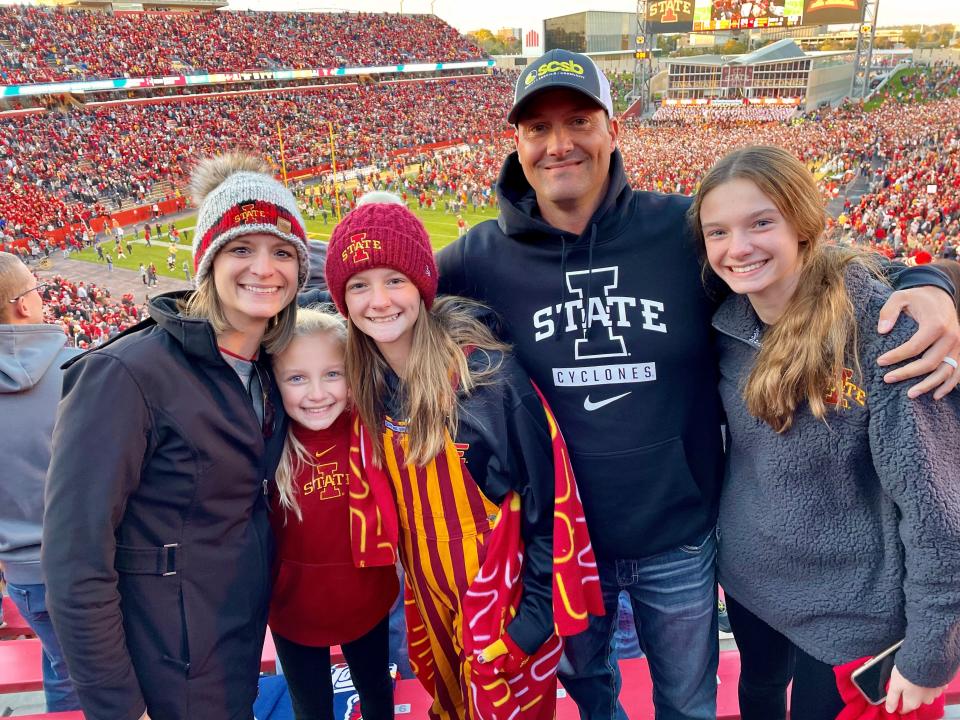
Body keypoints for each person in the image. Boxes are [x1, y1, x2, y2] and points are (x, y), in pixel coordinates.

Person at [435, 48, 960, 720]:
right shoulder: (479, 256)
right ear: (517, 141)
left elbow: (829, 266)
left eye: (578, 120)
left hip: (679, 536)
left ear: (612, 129)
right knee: (593, 697)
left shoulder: (685, 230)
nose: (559, 143)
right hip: (563, 542)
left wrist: (930, 285)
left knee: (688, 704)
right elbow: (377, 291)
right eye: (538, 128)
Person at [691, 145, 960, 720]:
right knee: (759, 694)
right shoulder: (724, 320)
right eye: (718, 232)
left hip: (851, 610)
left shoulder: (885, 332)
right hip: (750, 581)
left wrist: (931, 649)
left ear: (804, 226)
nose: (737, 248)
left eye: (761, 222)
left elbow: (936, 507)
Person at [42, 153, 310, 720]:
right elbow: (74, 559)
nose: (265, 268)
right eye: (242, 248)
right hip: (161, 674)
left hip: (231, 647)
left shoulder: (267, 365)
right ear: (207, 260)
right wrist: (120, 709)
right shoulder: (124, 374)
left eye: (282, 251)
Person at [324, 195, 600, 720]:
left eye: (394, 280)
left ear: (424, 286)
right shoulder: (366, 385)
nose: (378, 300)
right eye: (359, 285)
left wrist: (526, 630)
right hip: (433, 614)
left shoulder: (485, 382)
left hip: (505, 617)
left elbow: (550, 514)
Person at [268, 305, 398, 720]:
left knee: (377, 690)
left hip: (366, 595)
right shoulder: (265, 442)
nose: (318, 393)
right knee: (311, 708)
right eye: (296, 378)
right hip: (292, 608)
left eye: (332, 374)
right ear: (274, 381)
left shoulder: (373, 427)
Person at [0, 253, 81, 713]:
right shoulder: (84, 367)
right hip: (89, 564)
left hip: (24, 575)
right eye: (36, 290)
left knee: (62, 668)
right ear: (22, 306)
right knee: (95, 677)